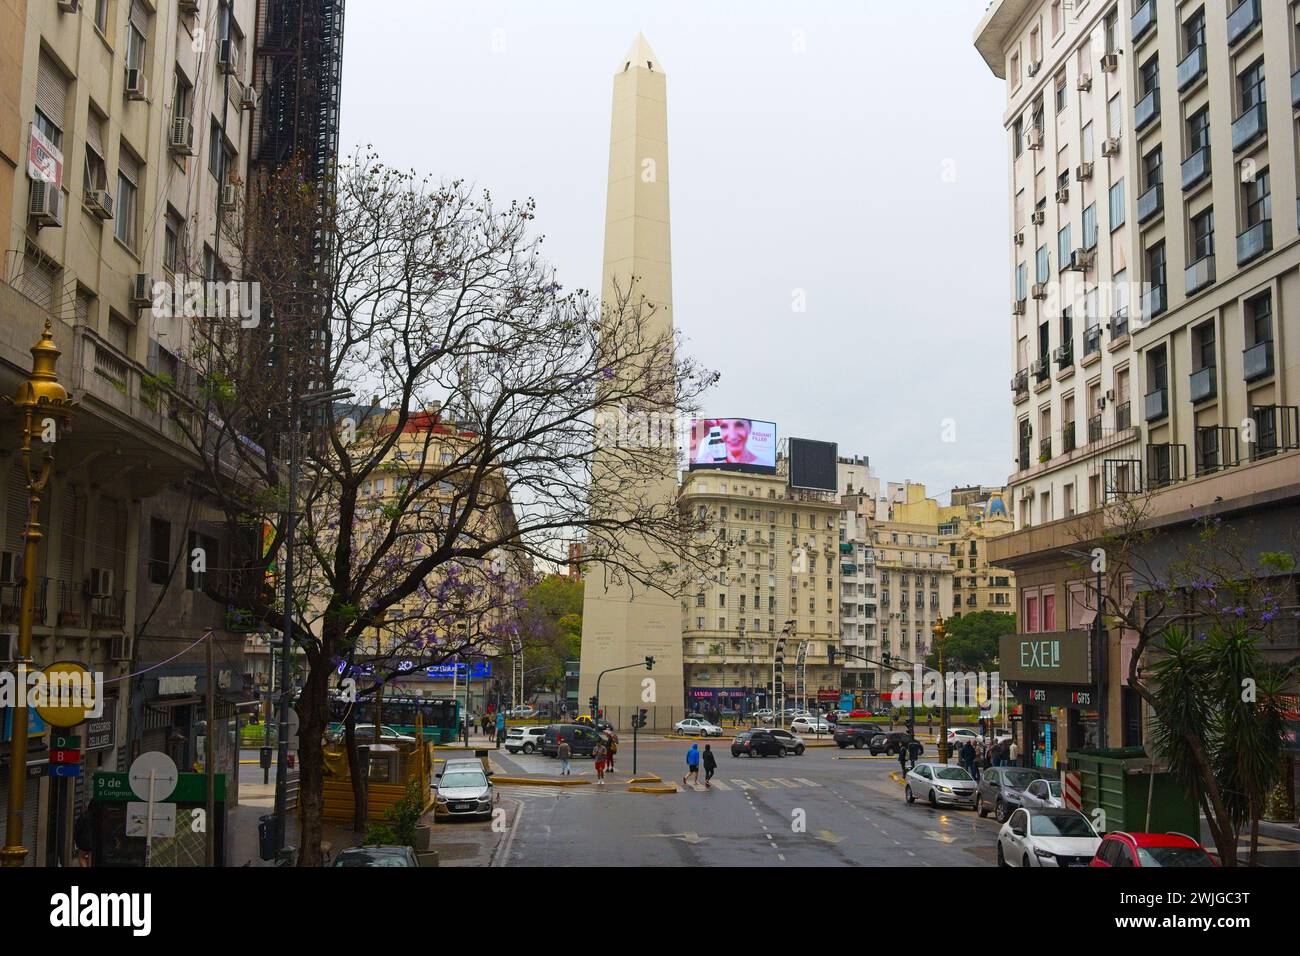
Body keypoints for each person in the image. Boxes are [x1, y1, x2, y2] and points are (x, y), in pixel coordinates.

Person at [73, 802, 95, 867]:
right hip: (95, 842)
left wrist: (76, 839)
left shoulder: (84, 815)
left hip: (84, 842)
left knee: (81, 857)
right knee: (91, 857)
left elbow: (78, 828)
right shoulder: (99, 816)